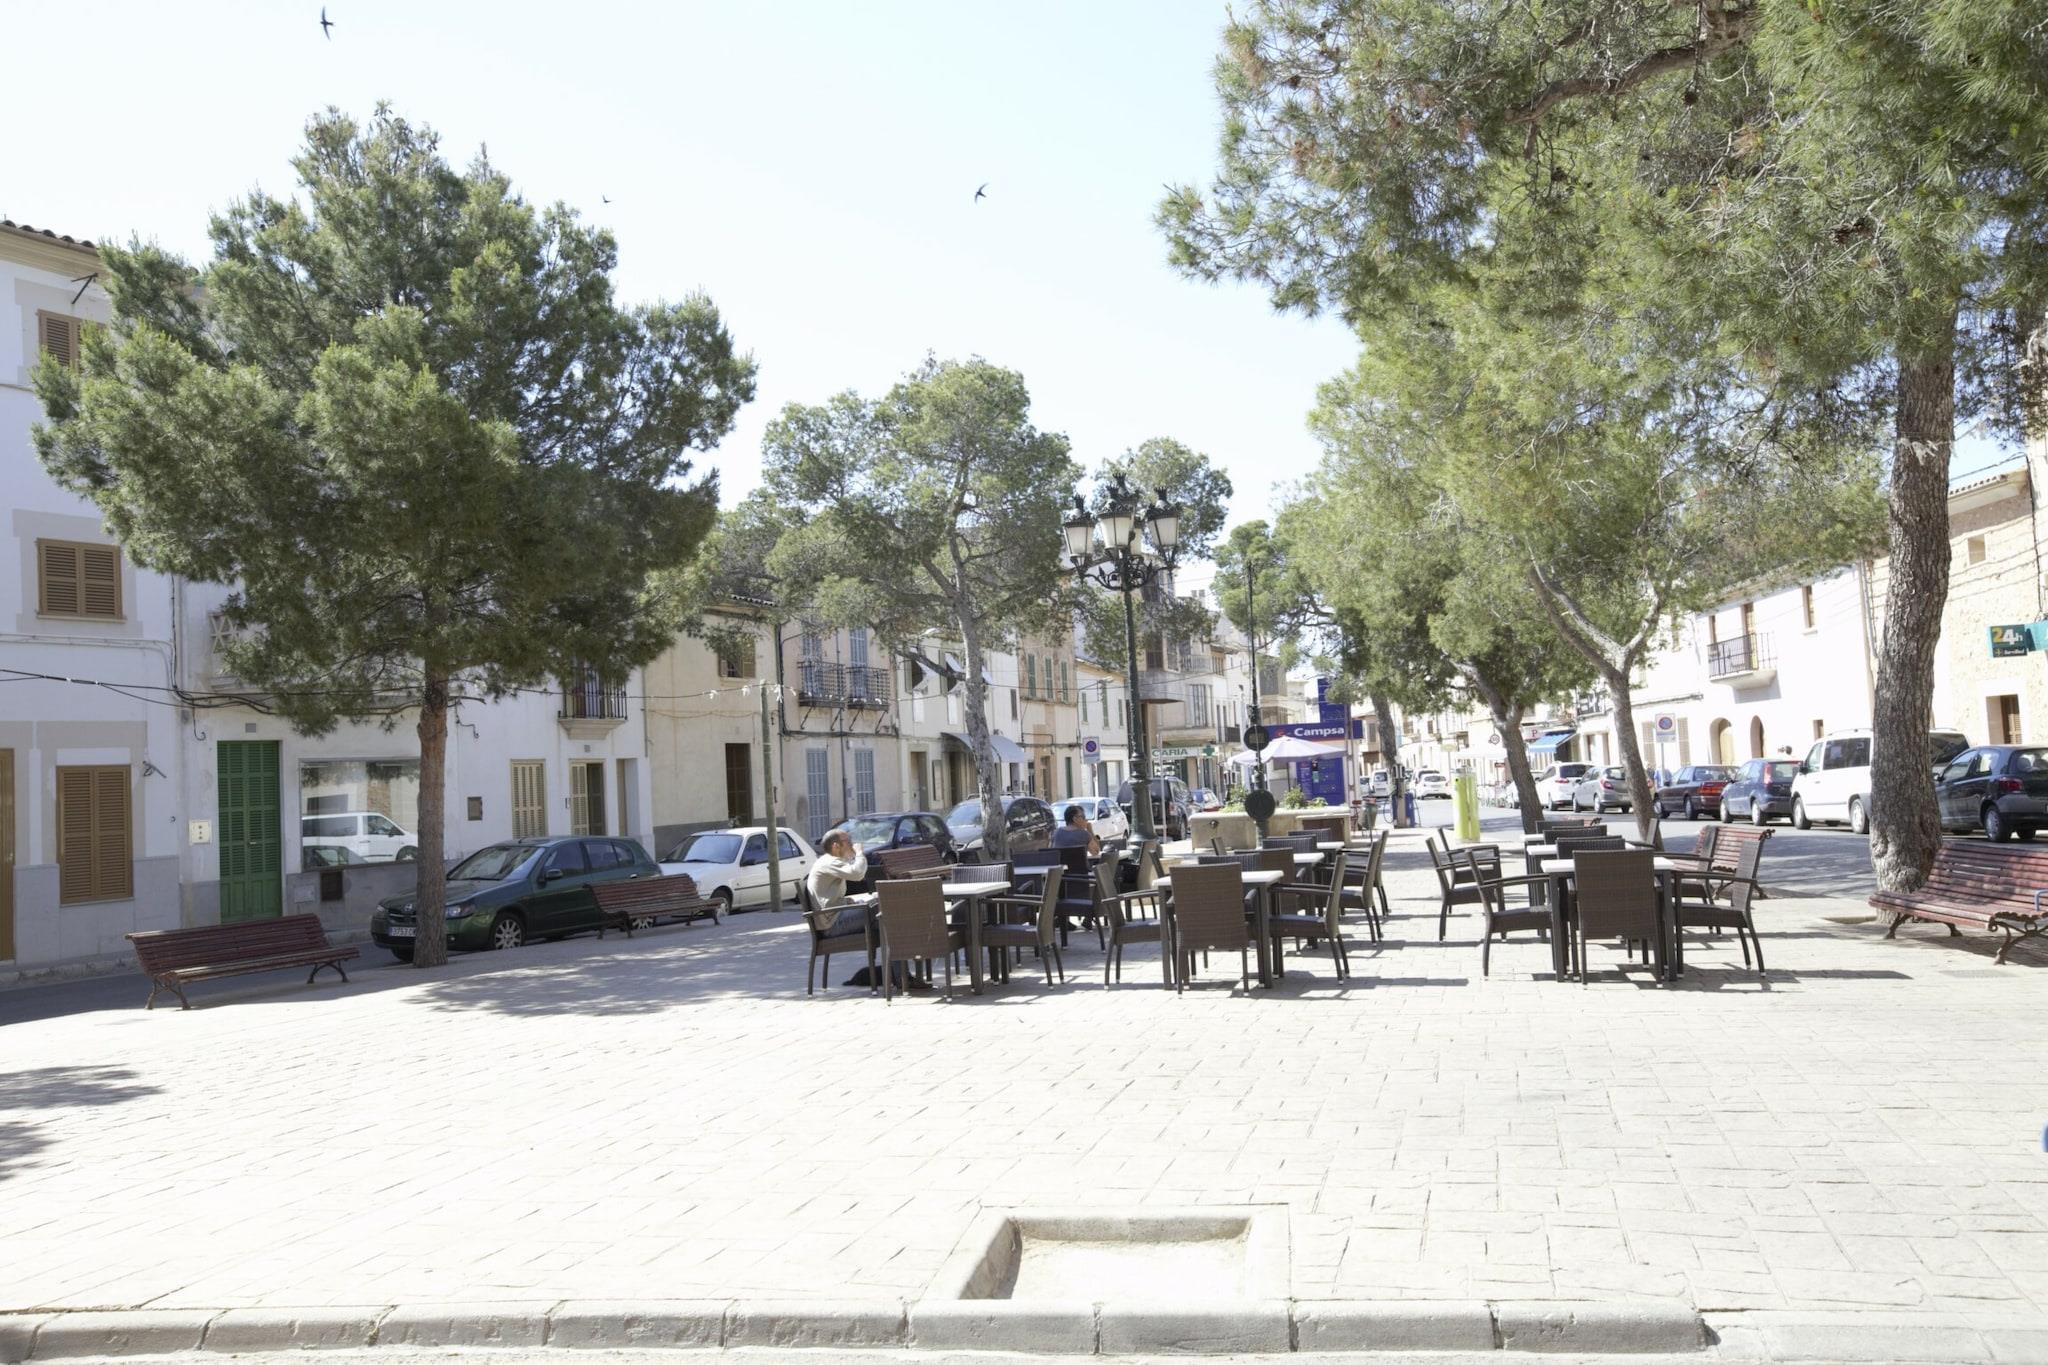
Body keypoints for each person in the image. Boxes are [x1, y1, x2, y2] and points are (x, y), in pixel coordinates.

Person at [807, 831, 869, 936]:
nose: (852, 844)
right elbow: (858, 874)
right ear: (836, 846)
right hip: (833, 924)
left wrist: (846, 901)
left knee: (878, 906)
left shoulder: (829, 860)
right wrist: (859, 853)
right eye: (848, 841)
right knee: (881, 910)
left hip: (835, 917)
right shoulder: (830, 862)